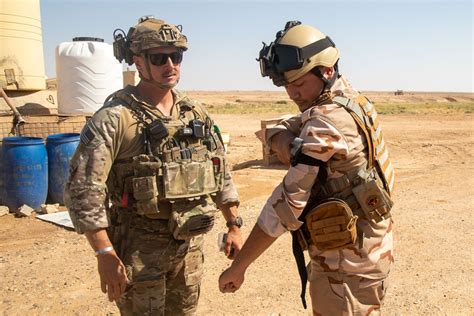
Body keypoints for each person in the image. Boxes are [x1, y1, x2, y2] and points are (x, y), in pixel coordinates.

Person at [64, 16, 243, 315]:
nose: (170, 65)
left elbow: (220, 171)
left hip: (188, 251)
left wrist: (233, 224)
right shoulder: (115, 118)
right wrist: (105, 252)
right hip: (139, 252)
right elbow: (83, 190)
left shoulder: (194, 113)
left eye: (176, 56)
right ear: (137, 62)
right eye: (159, 58)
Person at [219, 21, 395, 315]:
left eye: (299, 84)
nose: (292, 94)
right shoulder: (351, 100)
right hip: (366, 253)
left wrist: (239, 266)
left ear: (325, 71)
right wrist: (283, 139)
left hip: (346, 269)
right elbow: (294, 121)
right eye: (287, 86)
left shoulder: (327, 122)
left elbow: (286, 206)